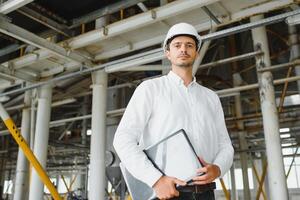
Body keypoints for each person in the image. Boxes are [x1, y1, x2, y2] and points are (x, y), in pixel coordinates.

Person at [113, 23, 234, 200]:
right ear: (167, 53)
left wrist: (218, 168)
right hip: (167, 192)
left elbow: (225, 145)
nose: (183, 49)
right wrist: (155, 180)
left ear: (197, 53)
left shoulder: (211, 97)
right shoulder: (150, 89)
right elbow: (123, 139)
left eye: (189, 45)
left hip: (206, 193)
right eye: (177, 45)